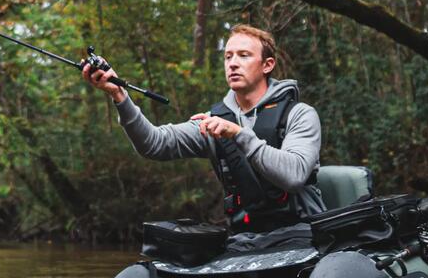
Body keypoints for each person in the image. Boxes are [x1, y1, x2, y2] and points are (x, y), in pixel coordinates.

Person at [81, 23, 325, 231]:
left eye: (244, 55)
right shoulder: (213, 121)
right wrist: (119, 96)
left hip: (302, 236)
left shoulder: (300, 115)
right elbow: (154, 144)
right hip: (247, 241)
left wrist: (238, 134)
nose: (233, 63)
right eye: (228, 56)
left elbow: (294, 176)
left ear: (267, 65)